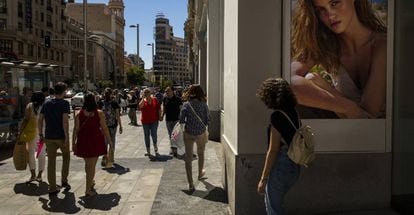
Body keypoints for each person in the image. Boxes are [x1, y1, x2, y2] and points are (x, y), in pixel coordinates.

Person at [291, 0, 387, 119]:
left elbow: (367, 115)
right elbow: (288, 80)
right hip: (344, 131)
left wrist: (325, 88)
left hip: (383, 134)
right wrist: (348, 108)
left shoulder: (382, 43)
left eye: (334, 3)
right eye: (321, 10)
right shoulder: (327, 44)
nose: (330, 15)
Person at [256, 78, 301, 215]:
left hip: (282, 164)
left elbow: (273, 150)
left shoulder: (277, 116)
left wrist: (263, 179)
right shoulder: (294, 112)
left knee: (274, 208)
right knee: (277, 204)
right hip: (295, 165)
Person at [72, 93, 112, 197]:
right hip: (95, 140)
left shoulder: (78, 114)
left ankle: (91, 182)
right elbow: (105, 128)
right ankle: (88, 189)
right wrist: (109, 141)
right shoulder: (99, 113)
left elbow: (75, 130)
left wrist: (73, 143)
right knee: (92, 166)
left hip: (83, 141)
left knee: (88, 165)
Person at [38, 82, 71, 196]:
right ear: (63, 92)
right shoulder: (64, 104)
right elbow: (65, 121)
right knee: (66, 157)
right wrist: (67, 137)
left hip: (49, 136)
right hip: (61, 136)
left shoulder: (46, 103)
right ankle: (64, 180)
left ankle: (52, 187)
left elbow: (40, 119)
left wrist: (40, 134)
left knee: (51, 162)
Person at [179, 85, 210, 192]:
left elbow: (181, 120)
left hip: (188, 133)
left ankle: (191, 184)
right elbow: (207, 120)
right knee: (201, 154)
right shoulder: (204, 105)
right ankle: (200, 173)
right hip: (200, 133)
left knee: (188, 158)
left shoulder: (186, 105)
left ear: (190, 92)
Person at [18, 92, 46, 183]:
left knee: (31, 153)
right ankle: (40, 175)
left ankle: (33, 175)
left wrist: (20, 131)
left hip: (31, 134)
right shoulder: (45, 106)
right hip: (42, 134)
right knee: (41, 153)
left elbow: (25, 119)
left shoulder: (29, 106)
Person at [100, 88, 123, 168]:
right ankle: (111, 159)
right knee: (112, 141)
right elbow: (117, 115)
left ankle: (104, 156)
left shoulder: (101, 102)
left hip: (103, 126)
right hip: (113, 125)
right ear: (111, 94)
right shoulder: (114, 103)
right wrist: (120, 125)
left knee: (104, 142)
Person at [139, 88, 161, 157]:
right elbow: (140, 106)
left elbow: (159, 108)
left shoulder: (155, 99)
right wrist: (143, 98)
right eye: (145, 92)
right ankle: (148, 150)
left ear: (150, 93)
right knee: (146, 136)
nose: (146, 93)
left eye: (147, 92)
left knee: (154, 134)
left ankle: (155, 146)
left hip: (154, 120)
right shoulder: (143, 101)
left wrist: (160, 116)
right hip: (145, 121)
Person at [161, 86, 182, 157]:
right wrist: (162, 116)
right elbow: (164, 108)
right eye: (166, 91)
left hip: (176, 120)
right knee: (170, 135)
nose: (166, 92)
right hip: (168, 120)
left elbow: (181, 109)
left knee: (175, 135)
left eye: (168, 91)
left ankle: (174, 149)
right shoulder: (165, 99)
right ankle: (172, 148)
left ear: (172, 91)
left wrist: (182, 118)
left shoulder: (178, 99)